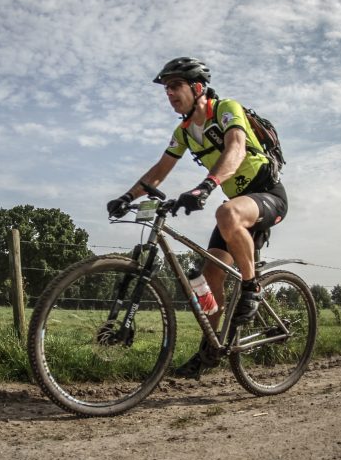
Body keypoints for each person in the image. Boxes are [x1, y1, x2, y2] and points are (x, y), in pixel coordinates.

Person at [106, 57, 288, 379]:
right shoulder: (184, 131)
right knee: (209, 276)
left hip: (267, 195)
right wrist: (127, 197)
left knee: (226, 212)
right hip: (236, 205)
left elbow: (236, 149)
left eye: (175, 86)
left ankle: (252, 288)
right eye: (166, 89)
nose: (169, 93)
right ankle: (210, 349)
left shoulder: (226, 109)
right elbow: (160, 170)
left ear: (198, 87)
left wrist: (206, 186)